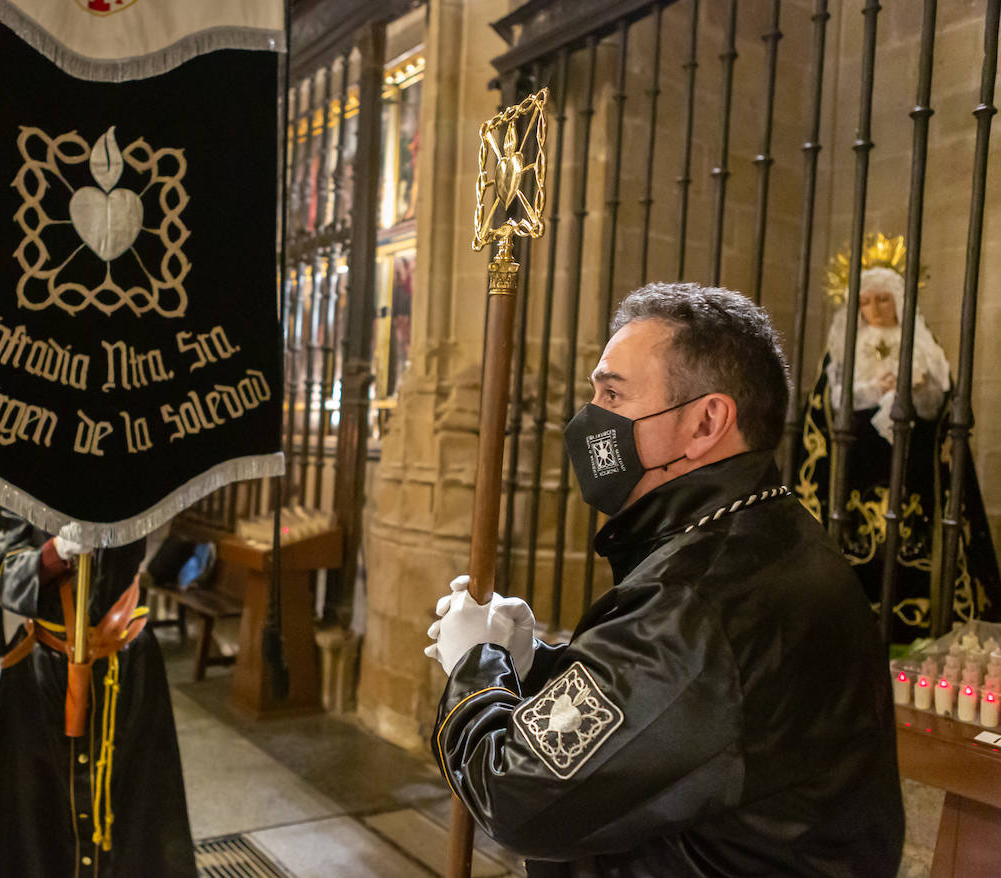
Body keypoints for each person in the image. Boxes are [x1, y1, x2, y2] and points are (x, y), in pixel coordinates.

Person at [426, 284, 904, 876]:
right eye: (594, 392)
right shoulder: (758, 535)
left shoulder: (700, 596)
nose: (588, 419)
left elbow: (519, 797)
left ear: (706, 421)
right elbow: (661, 724)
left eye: (614, 394)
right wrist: (531, 665)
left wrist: (475, 666)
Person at [0, 515, 196, 878]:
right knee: (36, 815)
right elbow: (0, 578)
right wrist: (53, 554)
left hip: (125, 668)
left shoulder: (139, 479)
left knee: (135, 811)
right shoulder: (29, 473)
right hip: (42, 673)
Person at [794, 247, 1000, 643]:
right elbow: (829, 405)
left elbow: (942, 408)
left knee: (910, 551)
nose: (874, 309)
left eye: (883, 299)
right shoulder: (842, 349)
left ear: (900, 302)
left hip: (911, 466)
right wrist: (873, 390)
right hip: (857, 467)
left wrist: (918, 391)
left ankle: (915, 634)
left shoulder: (923, 345)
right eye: (866, 301)